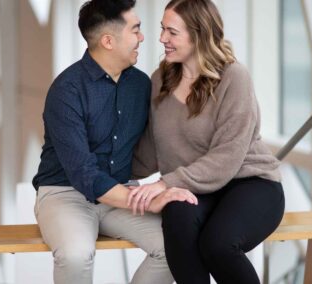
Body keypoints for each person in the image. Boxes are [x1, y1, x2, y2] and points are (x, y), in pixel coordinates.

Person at [32, 0, 197, 283]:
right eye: (136, 30)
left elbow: (162, 140)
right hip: (65, 193)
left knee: (178, 249)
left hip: (118, 193)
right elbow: (83, 174)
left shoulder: (142, 85)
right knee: (75, 255)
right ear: (108, 41)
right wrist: (147, 202)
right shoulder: (66, 91)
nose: (143, 38)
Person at [129, 0, 285, 283]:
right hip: (196, 188)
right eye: (163, 29)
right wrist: (99, 172)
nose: (162, 38)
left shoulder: (234, 76)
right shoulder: (160, 79)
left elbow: (228, 156)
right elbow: (151, 151)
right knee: (176, 216)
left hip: (250, 183)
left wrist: (165, 183)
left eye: (172, 32)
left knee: (217, 245)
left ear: (199, 34)